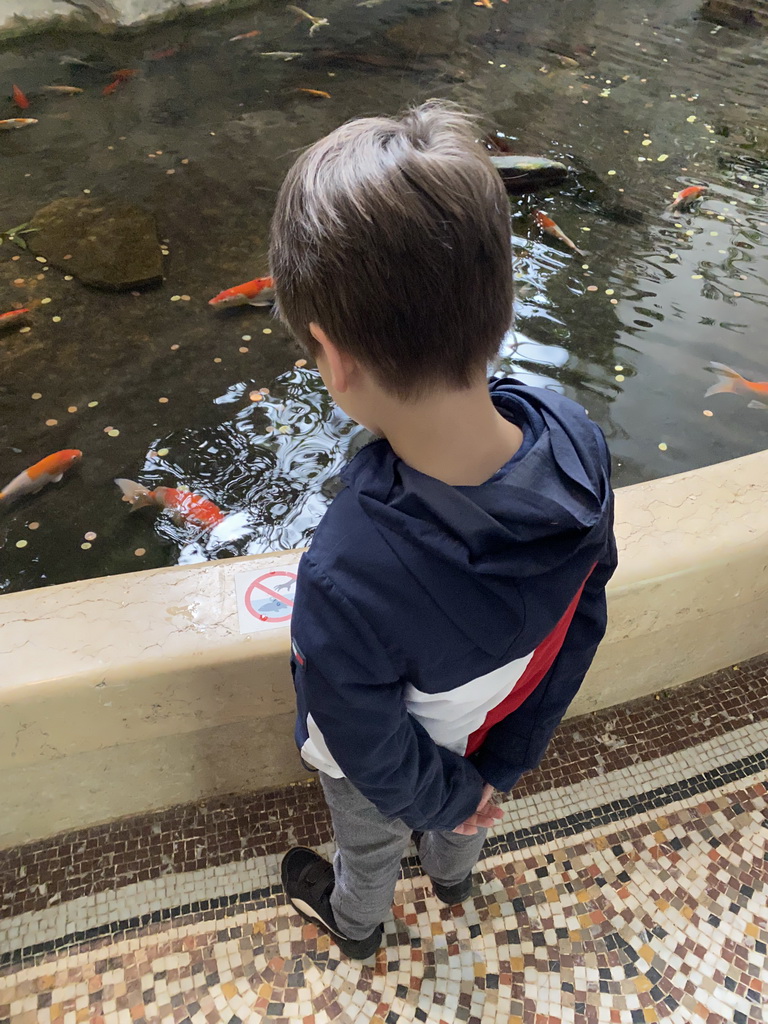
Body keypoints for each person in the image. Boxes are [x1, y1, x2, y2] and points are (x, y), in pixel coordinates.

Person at [269, 101, 617, 961]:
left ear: (332, 356)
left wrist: (442, 795)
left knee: (370, 844)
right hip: (501, 732)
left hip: (397, 774)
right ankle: (457, 875)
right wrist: (499, 768)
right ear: (498, 309)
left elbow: (364, 738)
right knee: (470, 817)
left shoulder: (346, 572)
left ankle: (356, 925)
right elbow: (585, 614)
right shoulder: (578, 442)